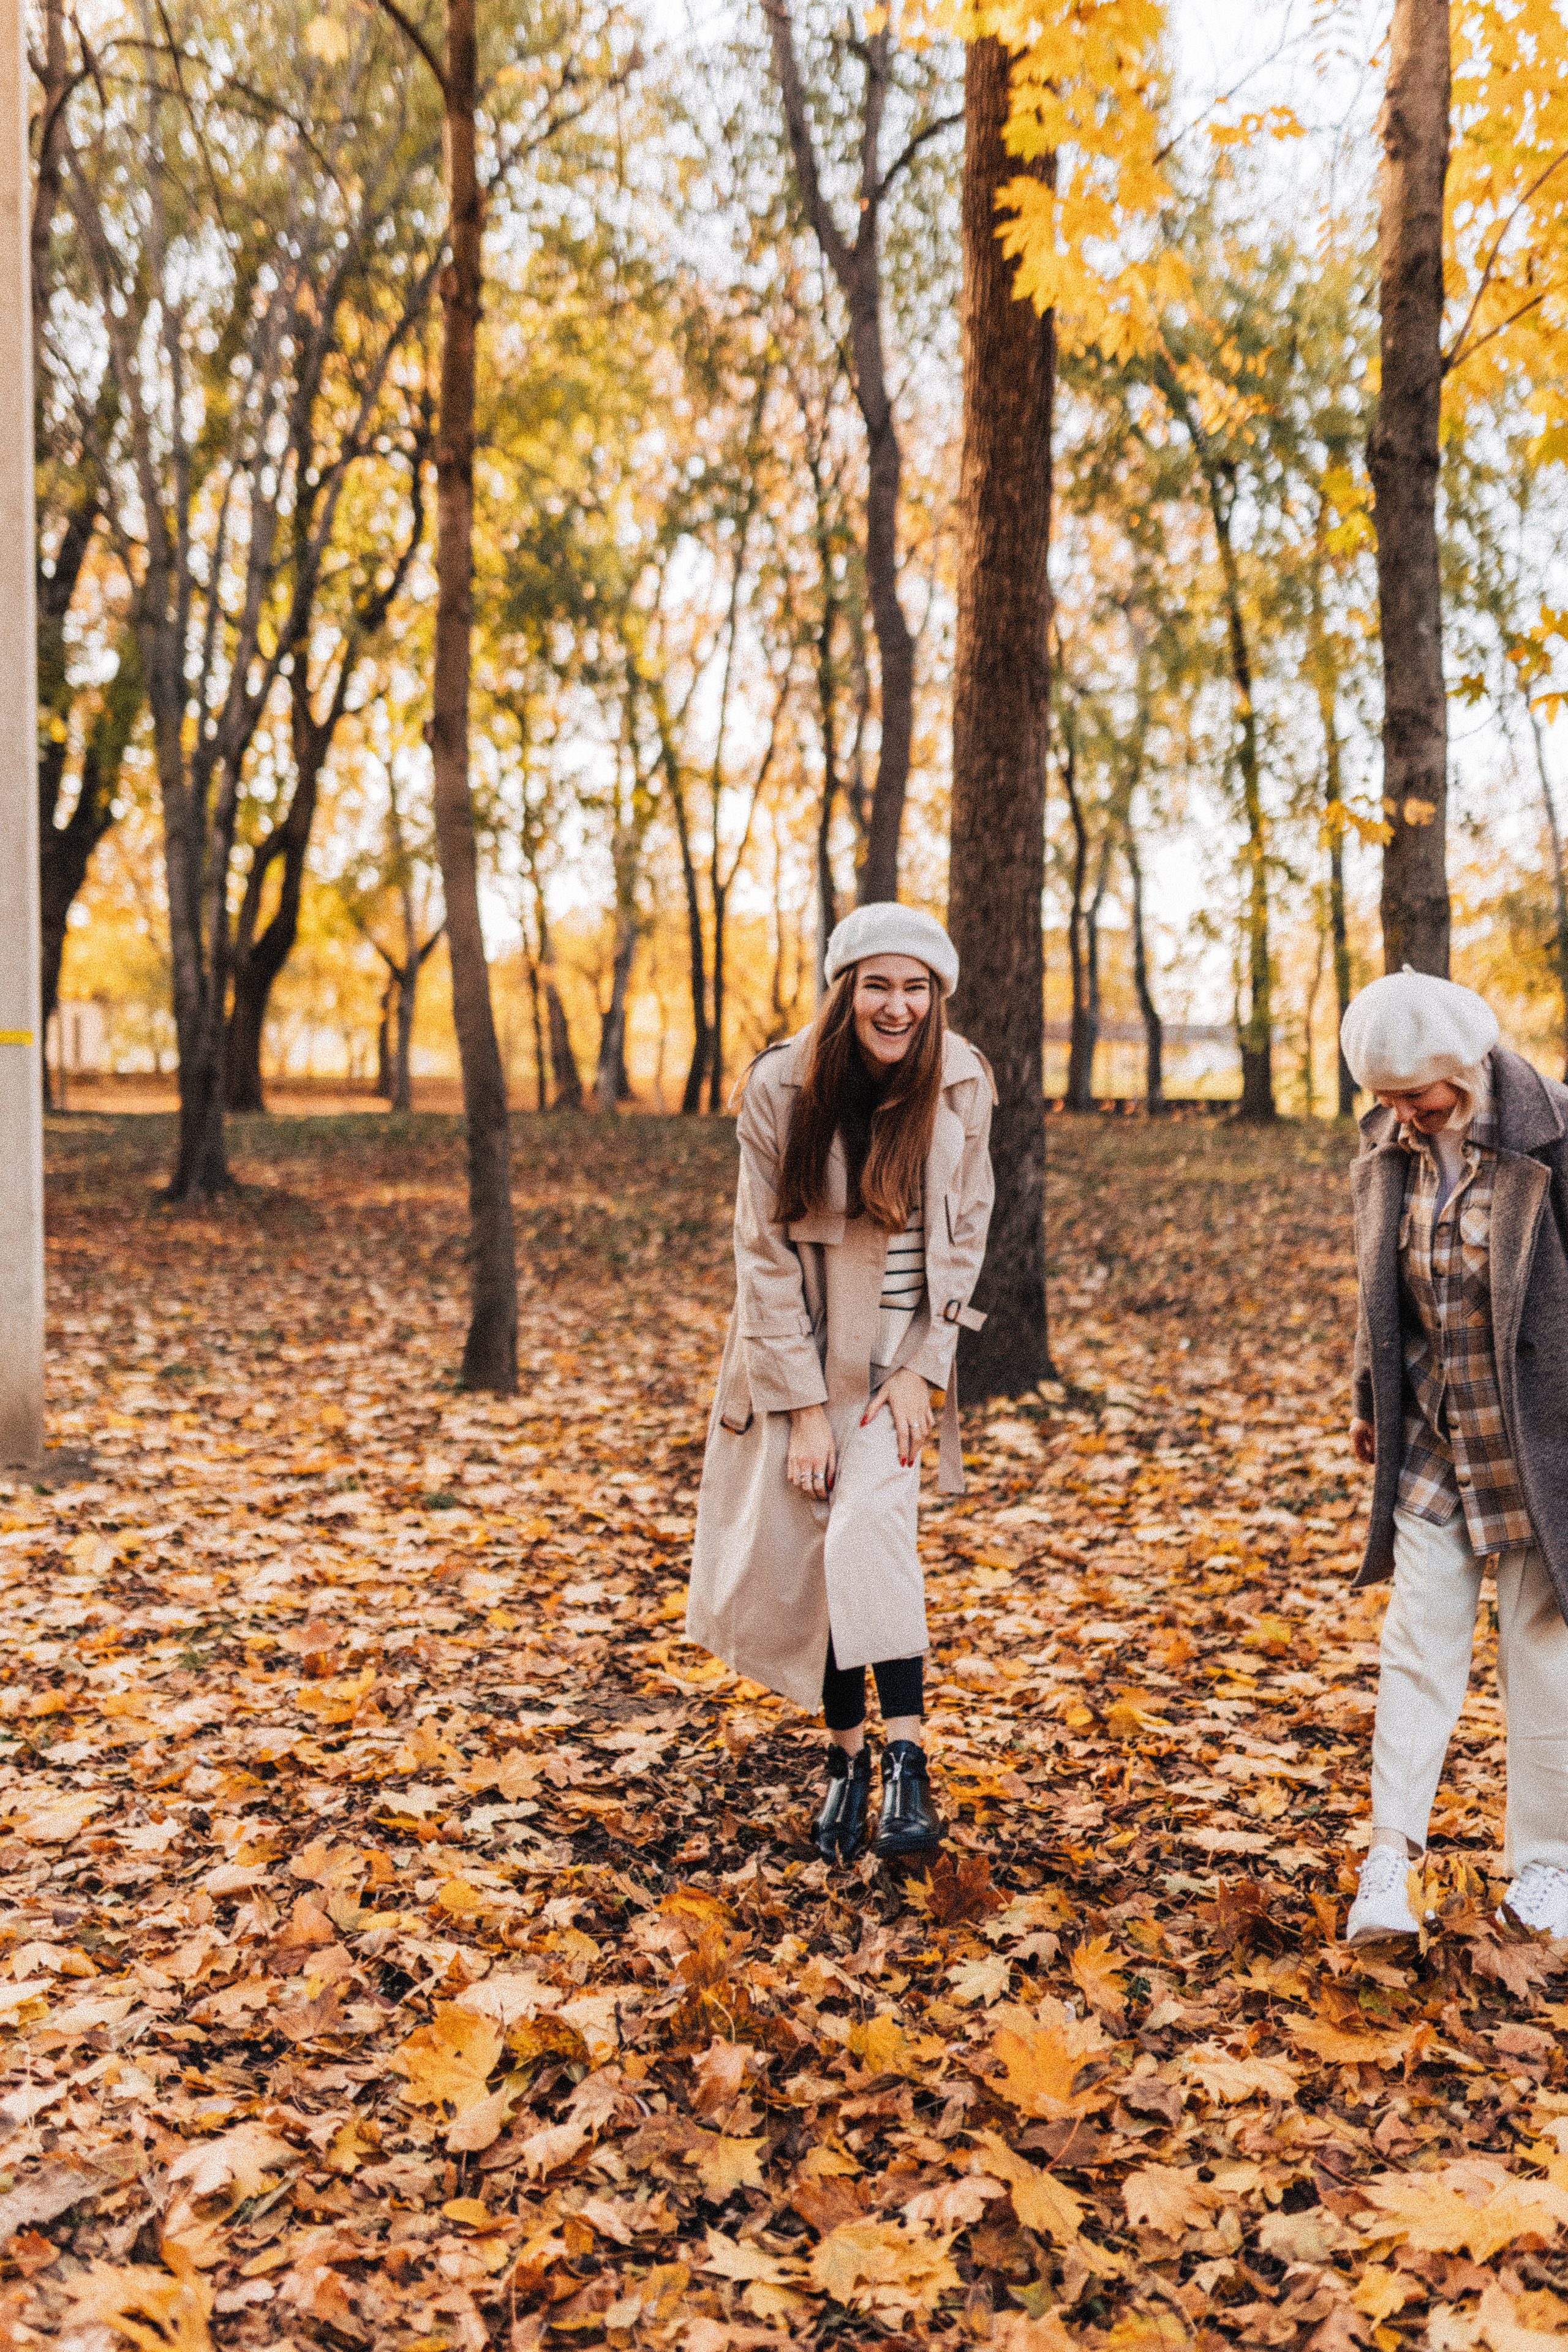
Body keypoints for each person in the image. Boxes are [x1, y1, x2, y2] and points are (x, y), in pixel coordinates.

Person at [685, 904, 995, 1864]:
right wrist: (804, 1409)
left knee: (867, 1532)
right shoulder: (783, 1084)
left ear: (934, 997)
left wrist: (922, 1371)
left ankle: (906, 1763)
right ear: (846, 991)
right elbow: (762, 1253)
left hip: (899, 1360)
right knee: (820, 1553)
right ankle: (845, 1763)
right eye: (877, 985)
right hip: (800, 1359)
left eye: (914, 988)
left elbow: (969, 1225)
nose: (895, 1006)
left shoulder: (963, 1081)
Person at [1340, 968, 1568, 1942]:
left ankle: (1548, 1868)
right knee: (1417, 1646)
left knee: (1541, 1657)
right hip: (1437, 1438)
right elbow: (1379, 1286)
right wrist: (1367, 1393)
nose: (1401, 1111)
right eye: (1384, 1094)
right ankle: (1390, 1858)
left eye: (1416, 1092)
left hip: (1541, 1441)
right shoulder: (1388, 1147)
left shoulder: (1552, 1136)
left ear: (1468, 1064)